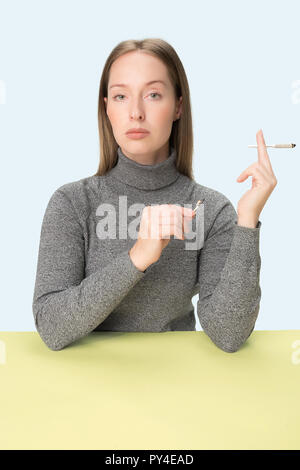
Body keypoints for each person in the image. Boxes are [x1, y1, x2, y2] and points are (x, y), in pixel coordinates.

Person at [32, 38, 277, 352]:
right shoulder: (72, 203)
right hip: (85, 392)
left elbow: (229, 334)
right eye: (121, 96)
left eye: (153, 95)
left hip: (178, 390)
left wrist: (247, 221)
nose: (135, 112)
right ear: (106, 107)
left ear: (177, 106)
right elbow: (51, 327)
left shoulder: (211, 210)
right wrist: (138, 257)